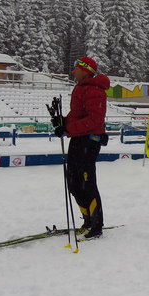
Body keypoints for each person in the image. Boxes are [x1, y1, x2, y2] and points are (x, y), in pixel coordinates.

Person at [52, 57, 110, 239]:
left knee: (86, 183)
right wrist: (63, 122)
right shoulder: (81, 88)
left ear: (86, 70)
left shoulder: (94, 90)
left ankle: (96, 225)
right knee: (74, 183)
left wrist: (68, 129)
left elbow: (94, 119)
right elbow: (77, 115)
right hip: (78, 139)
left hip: (88, 142)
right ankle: (87, 220)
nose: (73, 71)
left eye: (76, 68)